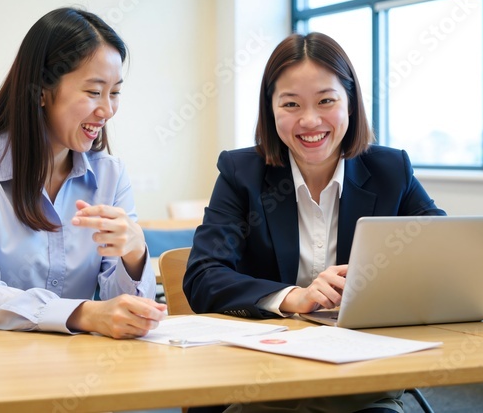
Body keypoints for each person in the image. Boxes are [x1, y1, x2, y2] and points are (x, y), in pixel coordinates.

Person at [183, 32, 446, 413]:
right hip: (264, 378)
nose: (310, 120)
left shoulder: (390, 170)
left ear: (351, 103)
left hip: (362, 378)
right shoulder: (242, 173)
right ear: (271, 110)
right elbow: (203, 276)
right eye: (291, 104)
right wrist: (294, 297)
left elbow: (441, 250)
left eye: (326, 101)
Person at [0, 7, 164, 338]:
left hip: (56, 360)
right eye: (93, 92)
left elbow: (124, 310)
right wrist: (85, 313)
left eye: (115, 92)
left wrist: (135, 254)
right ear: (42, 91)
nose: (107, 110)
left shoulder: (110, 174)